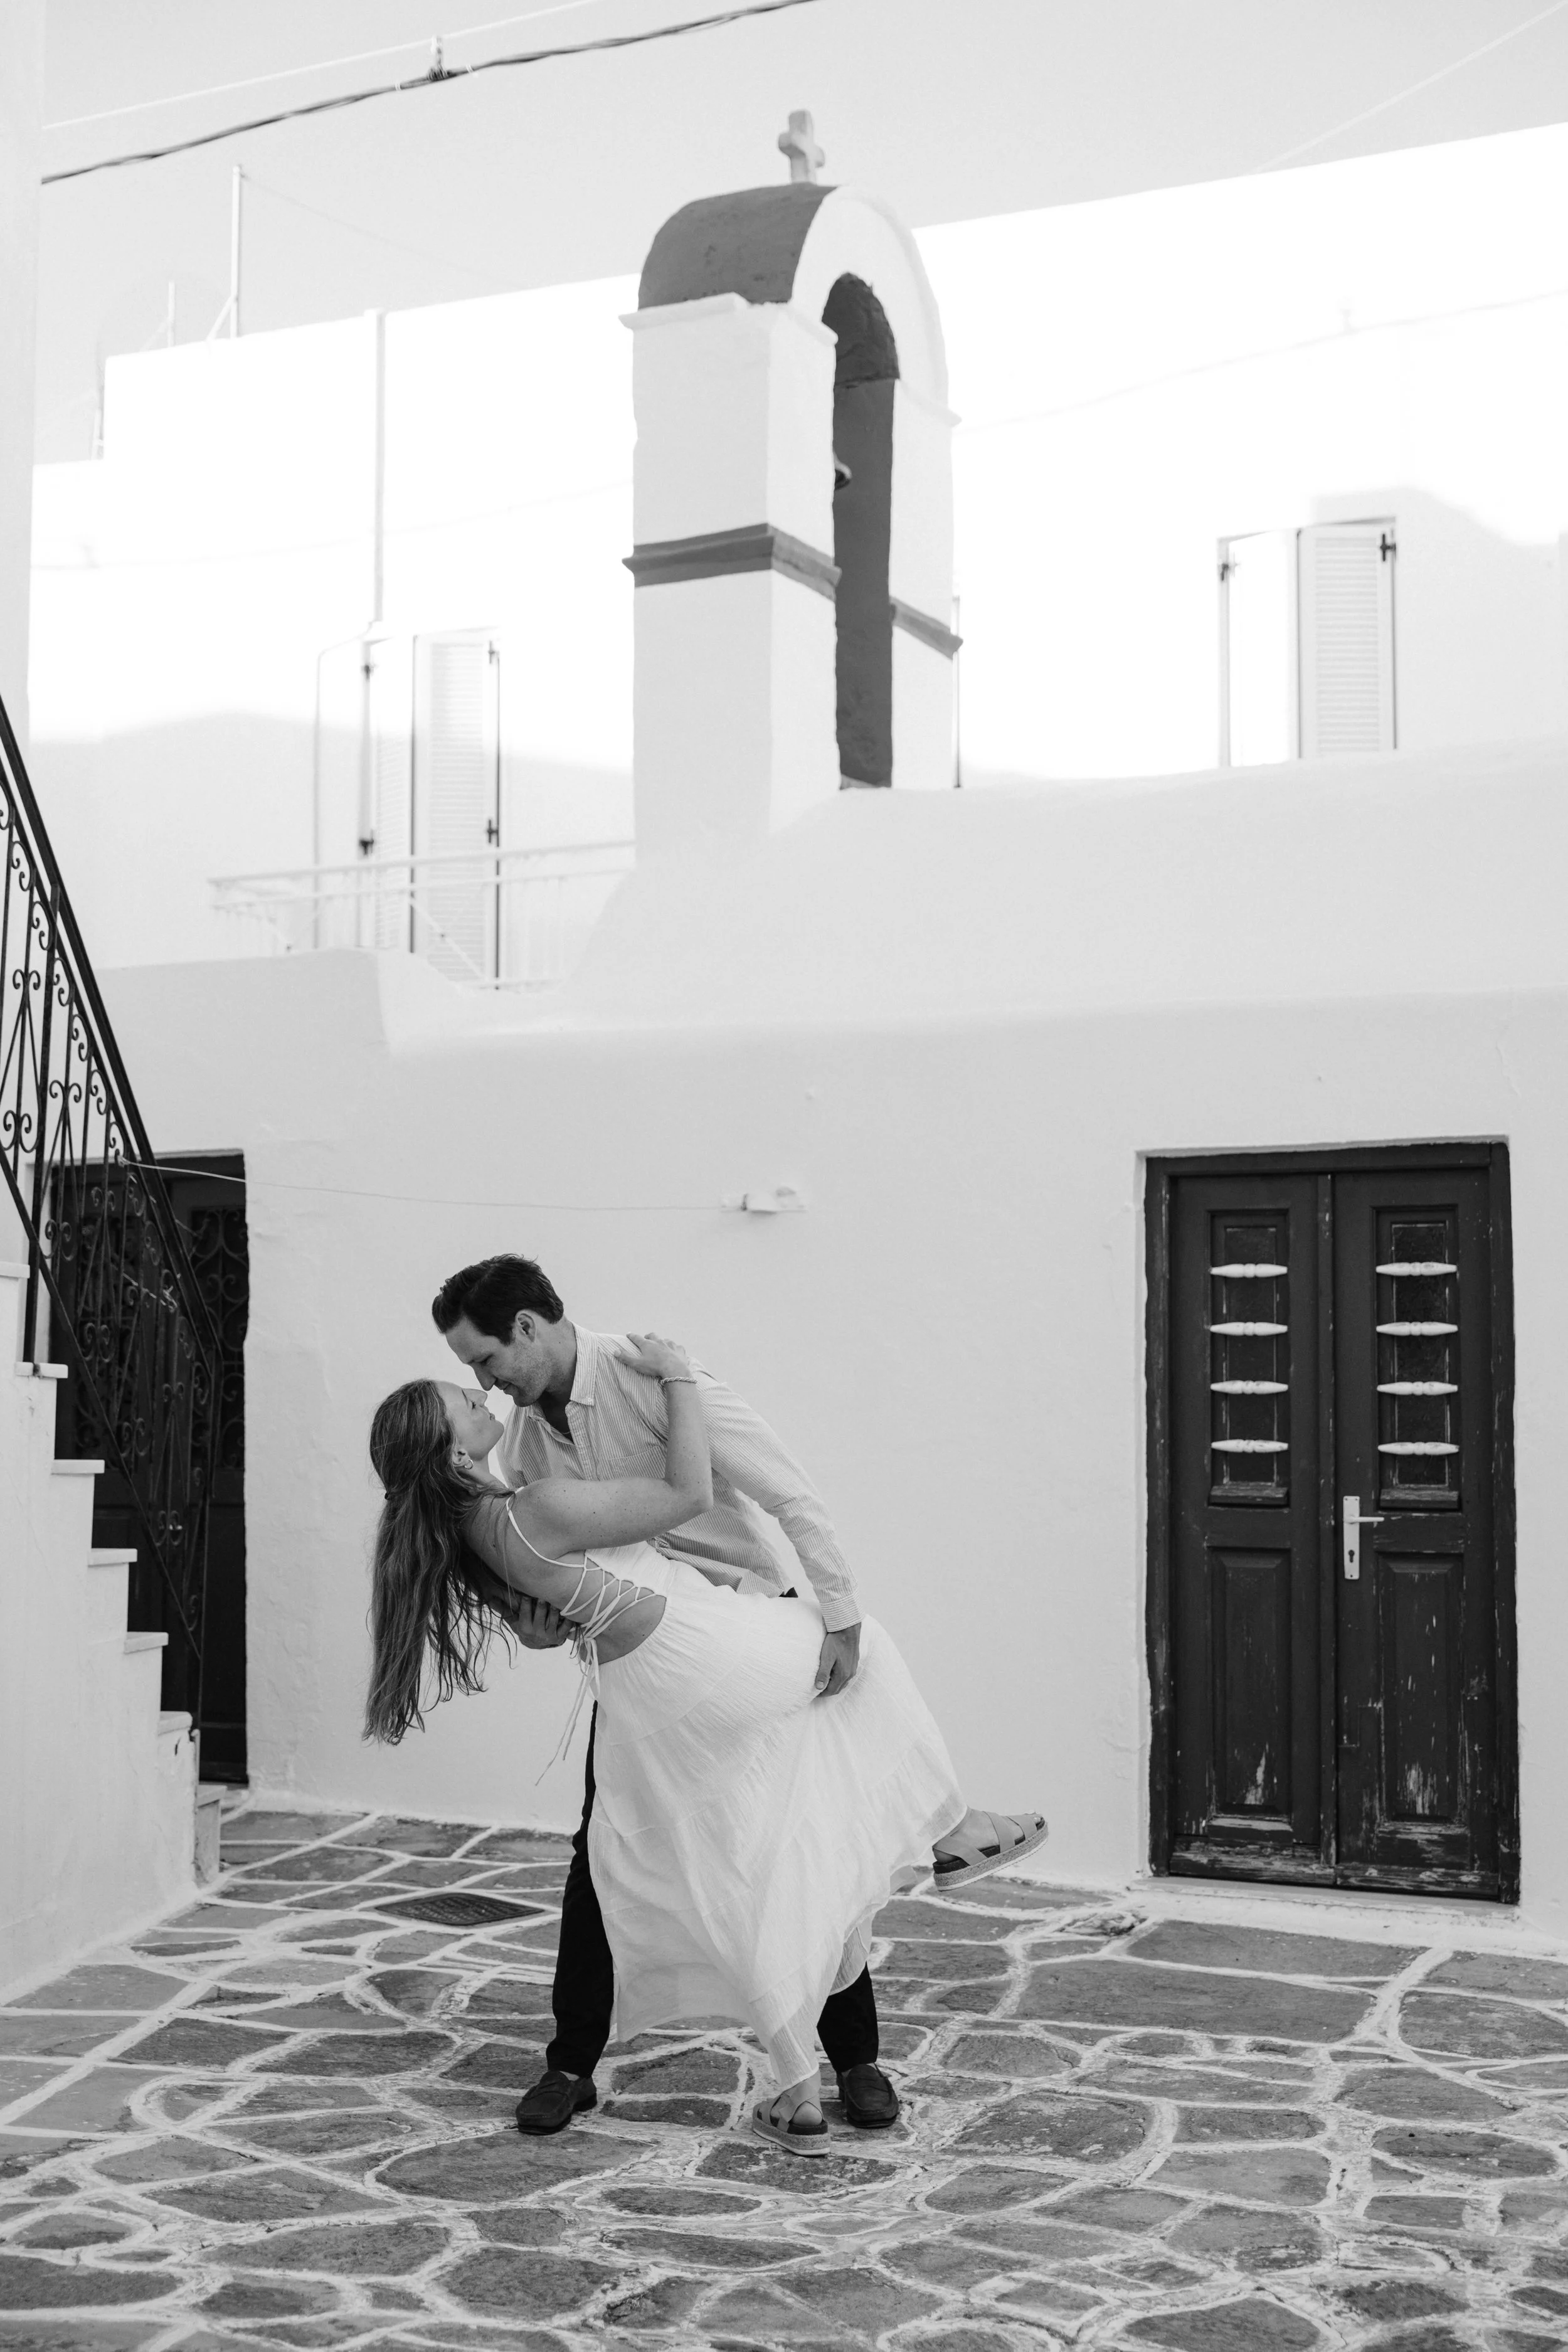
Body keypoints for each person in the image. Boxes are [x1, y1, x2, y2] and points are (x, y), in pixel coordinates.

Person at [366, 1337, 1046, 2156]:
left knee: (748, 1862)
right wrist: (683, 1374)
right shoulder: (534, 1495)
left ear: (529, 1329)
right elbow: (686, 1491)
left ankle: (805, 2083)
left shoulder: (469, 1528)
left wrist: (548, 1616)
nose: (483, 1393)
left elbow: (546, 1614)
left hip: (649, 1689)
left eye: (480, 1369)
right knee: (861, 1661)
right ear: (447, 1446)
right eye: (465, 1396)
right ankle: (946, 1822)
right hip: (702, 1654)